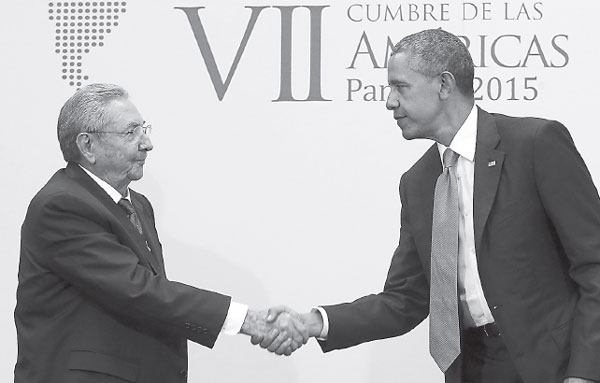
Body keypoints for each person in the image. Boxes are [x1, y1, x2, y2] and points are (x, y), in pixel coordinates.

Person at [258, 29, 600, 383]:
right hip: (477, 369)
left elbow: (595, 265)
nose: (390, 101)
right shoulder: (419, 183)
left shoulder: (534, 144)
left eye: (400, 86)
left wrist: (585, 373)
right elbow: (404, 299)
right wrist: (313, 322)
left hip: (560, 365)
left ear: (444, 85)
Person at [14, 83, 307, 383]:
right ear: (87, 146)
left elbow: (149, 299)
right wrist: (248, 320)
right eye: (131, 133)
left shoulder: (138, 204)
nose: (147, 143)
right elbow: (139, 289)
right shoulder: (62, 205)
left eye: (144, 129)